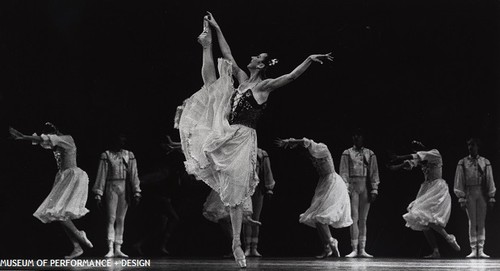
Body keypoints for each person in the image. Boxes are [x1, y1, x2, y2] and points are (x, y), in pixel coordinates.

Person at [178, 11, 333, 268]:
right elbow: (227, 55)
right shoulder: (241, 81)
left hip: (243, 139)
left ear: (260, 65)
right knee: (213, 92)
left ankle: (237, 243)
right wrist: (217, 29)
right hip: (227, 132)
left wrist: (308, 59)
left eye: (256, 57)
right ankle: (205, 45)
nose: (251, 57)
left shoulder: (263, 86)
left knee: (236, 193)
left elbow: (291, 77)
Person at [9, 123, 93, 259]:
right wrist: (25, 138)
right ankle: (77, 246)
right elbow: (43, 141)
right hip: (64, 177)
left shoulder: (66, 138)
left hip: (73, 176)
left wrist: (23, 137)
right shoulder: (56, 142)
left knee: (57, 212)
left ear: (55, 131)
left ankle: (79, 234)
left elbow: (43, 139)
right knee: (57, 212)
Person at [276, 137, 352, 258]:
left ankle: (332, 242)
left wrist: (291, 141)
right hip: (323, 184)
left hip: (333, 183)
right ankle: (327, 247)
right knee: (316, 218)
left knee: (320, 216)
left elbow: (306, 141)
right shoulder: (311, 154)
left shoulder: (322, 148)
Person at [389, 140, 461, 258]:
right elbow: (409, 163)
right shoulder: (420, 158)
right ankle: (436, 251)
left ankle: (449, 237)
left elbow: (416, 156)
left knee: (426, 217)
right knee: (422, 221)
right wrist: (396, 166)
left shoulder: (434, 153)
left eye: (418, 145)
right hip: (426, 188)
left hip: (437, 188)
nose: (417, 149)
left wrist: (398, 157)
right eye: (414, 148)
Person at [93, 133, 141, 258]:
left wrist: (137, 191)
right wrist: (98, 193)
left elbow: (134, 174)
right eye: (119, 140)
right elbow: (101, 174)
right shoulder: (106, 155)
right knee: (111, 218)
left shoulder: (129, 155)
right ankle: (110, 248)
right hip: (111, 186)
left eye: (123, 141)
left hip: (124, 187)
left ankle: (118, 247)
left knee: (121, 219)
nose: (122, 143)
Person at [339, 129, 379, 258]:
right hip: (353, 186)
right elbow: (343, 171)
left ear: (363, 138)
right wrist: (345, 188)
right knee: (354, 218)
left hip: (365, 187)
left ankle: (362, 249)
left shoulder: (370, 153)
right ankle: (354, 249)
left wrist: (374, 189)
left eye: (359, 136)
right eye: (354, 136)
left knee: (363, 219)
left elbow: (374, 172)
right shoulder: (347, 153)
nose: (357, 138)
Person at [454, 138, 496, 258]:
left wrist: (491, 196)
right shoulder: (462, 162)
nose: (471, 148)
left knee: (481, 221)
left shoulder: (485, 161)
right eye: (469, 146)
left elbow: (489, 179)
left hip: (481, 192)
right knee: (472, 221)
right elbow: (459, 180)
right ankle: (473, 249)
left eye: (473, 145)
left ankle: (481, 249)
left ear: (478, 147)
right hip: (469, 192)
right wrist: (461, 198)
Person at [244, 148, 276, 257]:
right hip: (245, 188)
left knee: (256, 218)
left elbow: (267, 170)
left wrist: (269, 188)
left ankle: (254, 248)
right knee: (247, 217)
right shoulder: (242, 150)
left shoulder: (261, 153)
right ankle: (247, 247)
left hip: (258, 188)